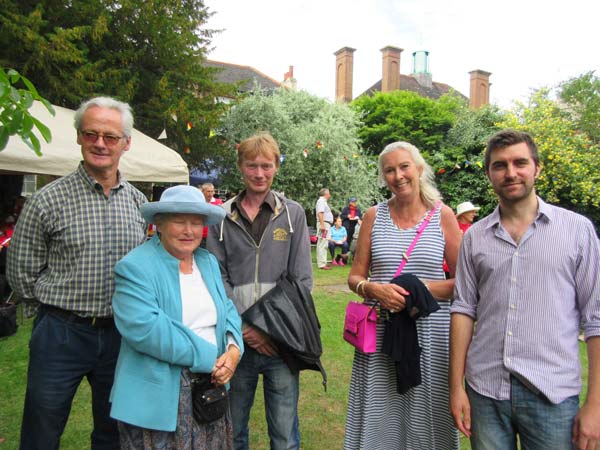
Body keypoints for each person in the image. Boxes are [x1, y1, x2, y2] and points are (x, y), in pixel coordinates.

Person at [7, 96, 148, 450]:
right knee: (42, 430)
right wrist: (55, 310)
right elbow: (21, 272)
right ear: (79, 137)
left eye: (111, 136)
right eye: (91, 134)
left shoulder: (139, 205)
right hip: (61, 333)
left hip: (120, 335)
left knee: (113, 432)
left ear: (126, 143)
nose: (100, 143)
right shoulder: (47, 200)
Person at [450, 129, 600, 450]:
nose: (511, 173)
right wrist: (456, 388)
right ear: (489, 172)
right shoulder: (475, 237)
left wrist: (596, 405)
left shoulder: (577, 232)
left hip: (552, 395)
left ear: (537, 168)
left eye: (520, 162)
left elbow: (596, 320)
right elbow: (463, 310)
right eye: (499, 165)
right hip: (486, 391)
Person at [344, 141, 462, 450]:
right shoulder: (373, 216)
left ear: (419, 168)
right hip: (382, 332)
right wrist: (373, 289)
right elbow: (354, 276)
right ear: (384, 177)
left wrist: (417, 290)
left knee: (429, 414)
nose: (398, 176)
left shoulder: (443, 216)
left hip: (430, 334)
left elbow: (465, 282)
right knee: (382, 413)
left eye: (404, 166)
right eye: (390, 170)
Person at [109, 185, 243, 450]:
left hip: (208, 391)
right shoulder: (135, 267)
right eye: (179, 221)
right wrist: (211, 359)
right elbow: (148, 330)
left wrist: (233, 349)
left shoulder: (206, 262)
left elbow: (227, 310)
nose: (189, 230)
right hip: (157, 401)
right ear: (159, 224)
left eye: (196, 222)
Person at [206, 132, 313, 450]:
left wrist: (270, 331)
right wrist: (244, 329)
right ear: (241, 167)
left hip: (281, 344)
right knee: (233, 429)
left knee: (283, 435)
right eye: (252, 165)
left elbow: (302, 281)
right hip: (234, 343)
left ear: (276, 167)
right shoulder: (221, 217)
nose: (259, 173)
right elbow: (216, 277)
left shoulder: (292, 215)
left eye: (266, 165)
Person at [200, 182, 224, 247]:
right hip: (200, 234)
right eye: (208, 191)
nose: (210, 194)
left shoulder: (219, 203)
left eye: (212, 191)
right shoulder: (199, 203)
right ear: (202, 192)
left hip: (214, 235)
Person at [315, 188, 334, 270]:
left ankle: (322, 262)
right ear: (325, 194)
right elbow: (320, 213)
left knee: (322, 243)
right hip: (324, 224)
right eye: (328, 193)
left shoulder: (322, 202)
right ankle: (322, 264)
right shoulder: (321, 201)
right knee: (323, 243)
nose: (329, 195)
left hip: (325, 224)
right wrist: (322, 225)